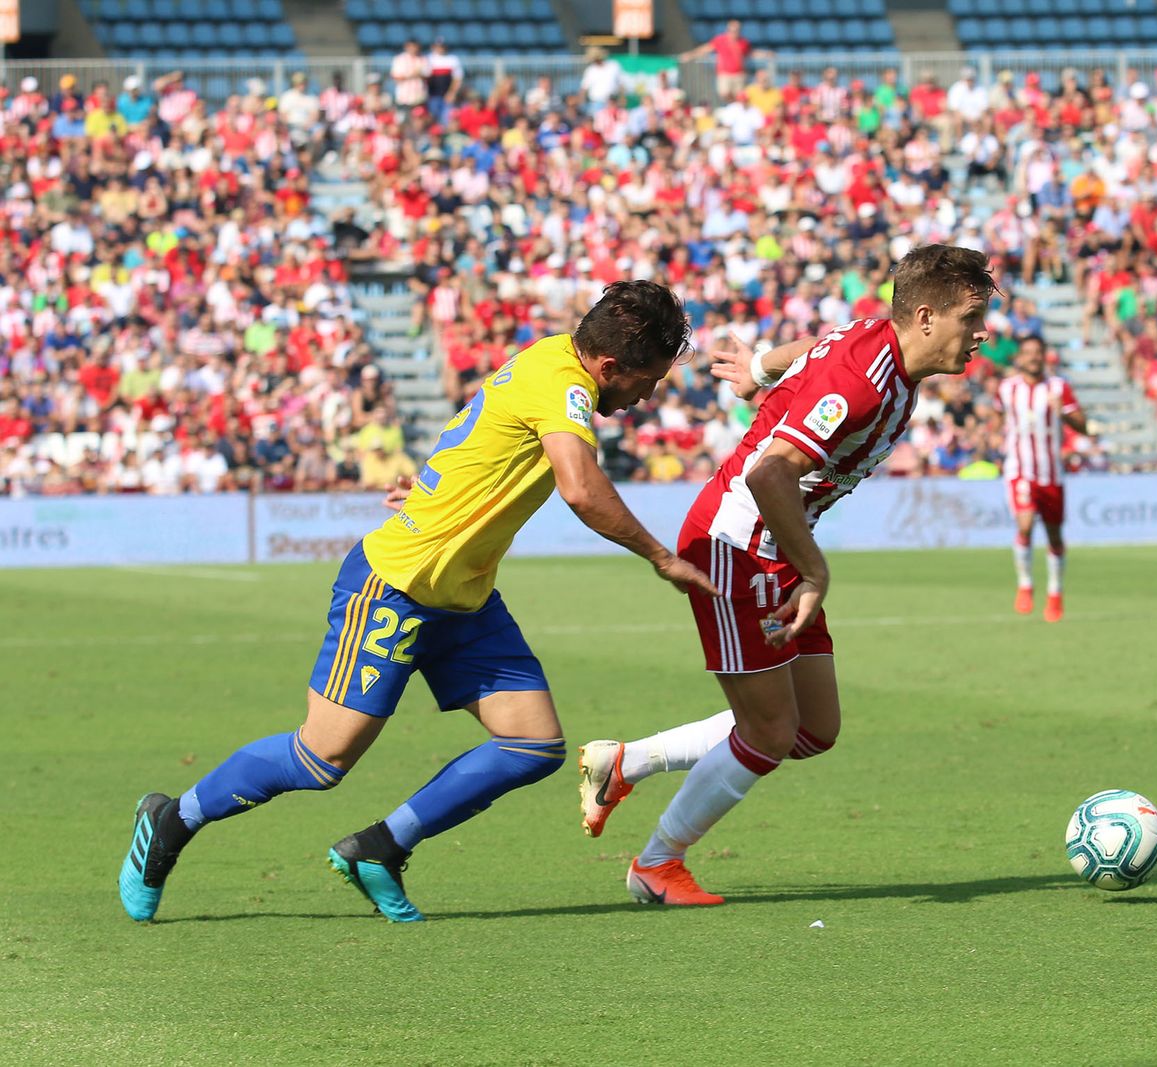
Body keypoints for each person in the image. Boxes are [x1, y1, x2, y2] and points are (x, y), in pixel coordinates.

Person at [117, 282, 718, 923]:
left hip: (464, 597)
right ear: (610, 366)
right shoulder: (563, 384)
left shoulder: (550, 358)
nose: (647, 395)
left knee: (533, 744)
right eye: (648, 380)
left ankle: (380, 848)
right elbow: (582, 489)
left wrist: (436, 491)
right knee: (321, 759)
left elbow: (478, 435)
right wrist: (662, 557)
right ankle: (171, 820)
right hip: (396, 586)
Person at [576, 244, 998, 905]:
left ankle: (627, 761)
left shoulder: (881, 344)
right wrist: (815, 571)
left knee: (812, 728)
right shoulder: (861, 385)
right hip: (736, 546)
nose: (981, 334)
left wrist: (756, 370)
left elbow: (812, 346)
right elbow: (769, 473)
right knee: (769, 731)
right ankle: (657, 865)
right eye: (970, 318)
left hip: (776, 546)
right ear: (924, 318)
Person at [997, 335, 1091, 622]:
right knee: (1025, 525)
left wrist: (1063, 412)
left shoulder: (1058, 387)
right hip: (1020, 470)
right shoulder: (1008, 388)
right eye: (1028, 352)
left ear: (1044, 356)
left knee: (1054, 536)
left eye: (1038, 352)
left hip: (1051, 473)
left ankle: (1055, 592)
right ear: (1020, 358)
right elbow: (999, 418)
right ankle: (1025, 585)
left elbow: (1083, 426)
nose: (1033, 357)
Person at [680, 19, 772, 102]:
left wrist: (766, 54)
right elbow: (705, 49)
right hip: (724, 74)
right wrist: (690, 55)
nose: (734, 32)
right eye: (732, 30)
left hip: (739, 75)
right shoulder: (720, 40)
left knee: (740, 98)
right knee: (724, 93)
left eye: (736, 30)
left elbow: (751, 53)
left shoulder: (743, 42)